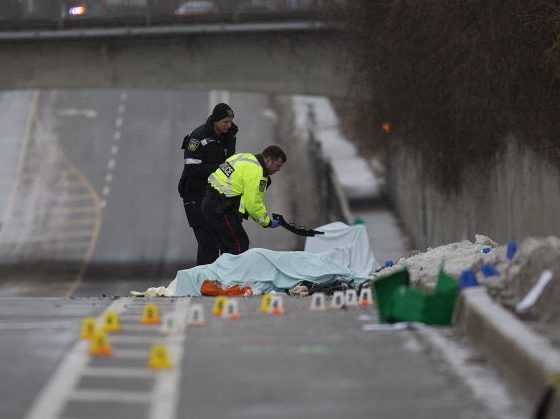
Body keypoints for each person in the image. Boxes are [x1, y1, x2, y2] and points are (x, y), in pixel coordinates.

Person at [178, 103, 238, 265]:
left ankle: (217, 281)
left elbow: (230, 164)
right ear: (216, 121)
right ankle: (204, 283)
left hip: (215, 195)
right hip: (195, 195)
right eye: (225, 121)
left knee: (222, 240)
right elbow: (192, 169)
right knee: (207, 242)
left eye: (231, 121)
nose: (229, 125)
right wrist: (220, 168)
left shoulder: (229, 136)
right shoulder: (197, 138)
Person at [201, 145, 286, 258]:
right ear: (269, 160)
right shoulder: (257, 172)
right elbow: (253, 203)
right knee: (239, 244)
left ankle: (221, 275)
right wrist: (267, 222)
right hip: (222, 209)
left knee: (226, 248)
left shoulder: (244, 157)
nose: (279, 169)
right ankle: (231, 275)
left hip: (209, 203)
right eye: (278, 165)